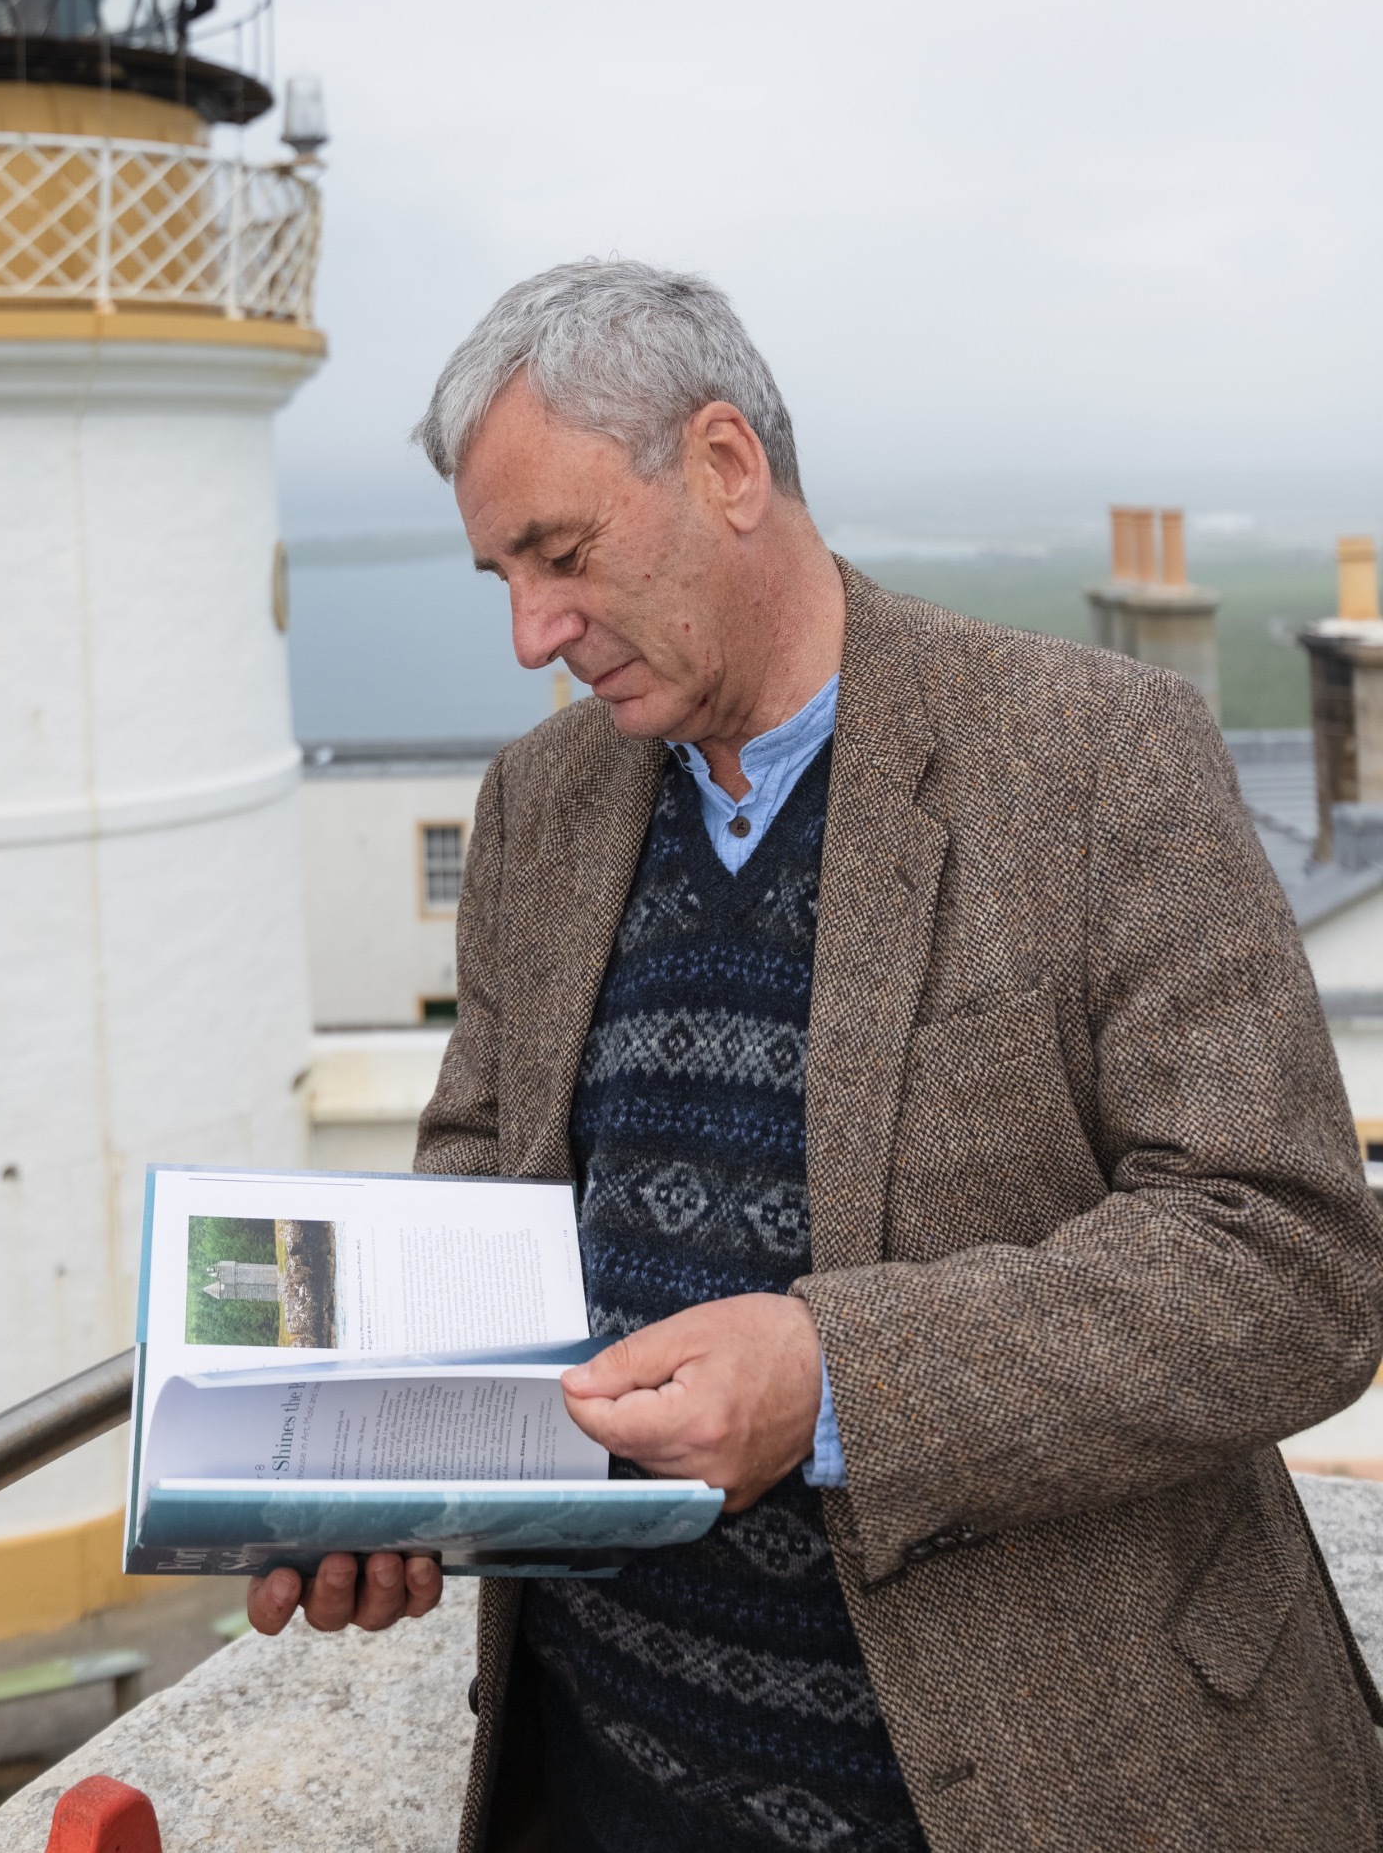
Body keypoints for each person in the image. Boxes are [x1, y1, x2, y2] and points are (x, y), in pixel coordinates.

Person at [248, 258, 1383, 1852]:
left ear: (726, 466)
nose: (530, 635)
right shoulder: (536, 808)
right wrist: (384, 1467)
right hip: (601, 1777)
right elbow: (479, 1171)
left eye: (561, 556)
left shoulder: (1093, 758)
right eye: (499, 574)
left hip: (1028, 1789)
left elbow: (1292, 1264)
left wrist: (836, 1378)